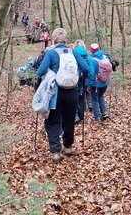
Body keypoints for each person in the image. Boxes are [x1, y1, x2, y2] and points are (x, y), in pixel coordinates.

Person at [36, 28, 89, 163]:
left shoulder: (51, 53)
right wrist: (79, 77)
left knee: (53, 121)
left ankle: (55, 152)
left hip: (56, 93)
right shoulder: (74, 52)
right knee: (69, 120)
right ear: (66, 40)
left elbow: (40, 71)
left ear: (53, 40)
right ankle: (68, 147)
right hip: (72, 92)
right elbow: (86, 68)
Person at [87, 43, 112, 121]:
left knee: (94, 99)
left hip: (96, 84)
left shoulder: (92, 59)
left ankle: (97, 117)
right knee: (101, 96)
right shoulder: (105, 57)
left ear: (91, 51)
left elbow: (91, 73)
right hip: (105, 82)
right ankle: (104, 113)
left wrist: (89, 84)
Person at [73, 40, 93, 123]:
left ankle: (75, 117)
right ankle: (81, 117)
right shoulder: (88, 55)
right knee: (81, 97)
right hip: (84, 79)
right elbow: (91, 70)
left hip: (74, 78)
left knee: (74, 97)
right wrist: (89, 83)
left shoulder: (73, 53)